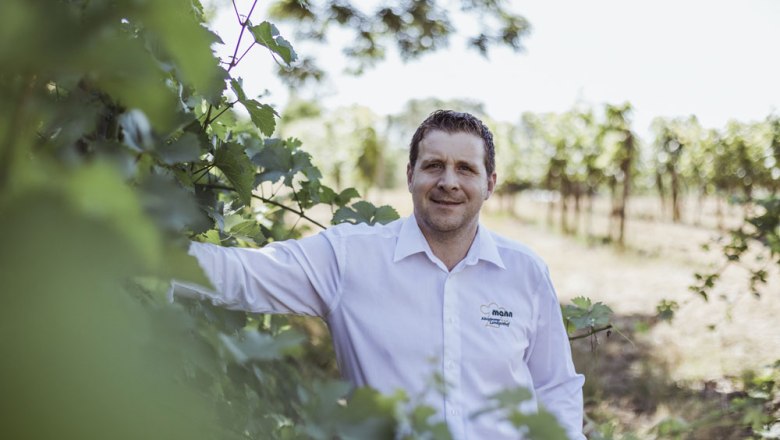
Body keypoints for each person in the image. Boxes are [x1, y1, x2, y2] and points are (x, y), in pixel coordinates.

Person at [173, 110, 586, 439]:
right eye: (434, 165)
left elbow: (555, 388)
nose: (448, 182)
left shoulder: (525, 271)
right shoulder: (349, 259)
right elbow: (241, 275)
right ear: (410, 176)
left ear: (490, 183)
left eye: (465, 169)